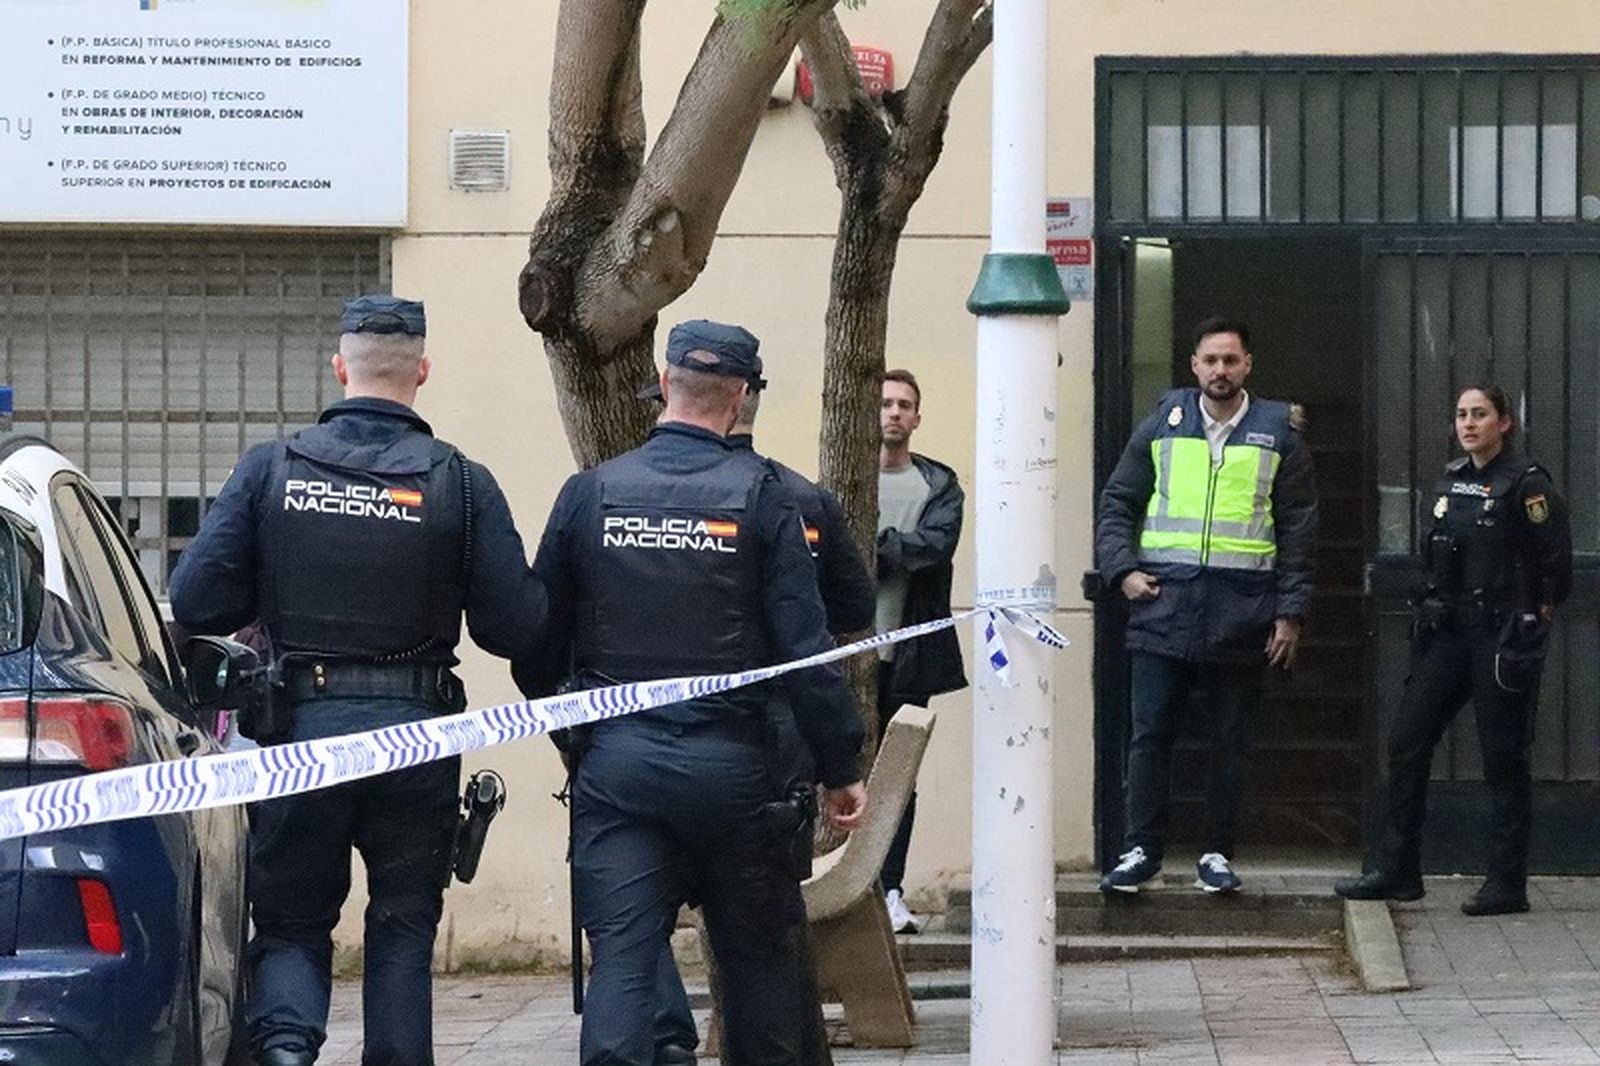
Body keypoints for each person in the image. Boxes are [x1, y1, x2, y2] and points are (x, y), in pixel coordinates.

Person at [169, 296, 550, 1066]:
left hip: (297, 738)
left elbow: (198, 601)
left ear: (340, 368)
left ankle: (282, 1051)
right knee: (405, 922)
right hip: (418, 737)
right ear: (423, 373)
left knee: (292, 925)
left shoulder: (271, 469)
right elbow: (516, 628)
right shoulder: (465, 485)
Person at [518, 319, 869, 1066]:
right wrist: (840, 765)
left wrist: (580, 737)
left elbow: (536, 645)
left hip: (619, 770)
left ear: (664, 385)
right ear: (739, 397)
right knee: (757, 968)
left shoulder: (592, 492)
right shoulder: (768, 496)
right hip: (739, 773)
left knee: (623, 959)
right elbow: (807, 653)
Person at [635, 357, 876, 1065]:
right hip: (775, 745)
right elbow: (851, 613)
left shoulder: (625, 492)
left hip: (655, 742)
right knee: (770, 927)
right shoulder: (803, 498)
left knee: (638, 918)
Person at [1094, 316, 1318, 895]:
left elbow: (1300, 528)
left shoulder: (1279, 434)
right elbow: (1118, 500)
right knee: (1150, 737)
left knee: (1230, 742)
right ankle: (1140, 850)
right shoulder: (1161, 426)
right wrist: (1122, 573)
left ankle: (1217, 852)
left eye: (1231, 361)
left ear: (1248, 366)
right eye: (1210, 360)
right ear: (1194, 366)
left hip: (1242, 614)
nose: (1220, 371)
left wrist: (1290, 613)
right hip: (1163, 607)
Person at [1336, 384, 1571, 916]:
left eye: (1480, 415)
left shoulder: (1526, 485)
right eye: (1462, 415)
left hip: (1499, 634)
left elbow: (1553, 566)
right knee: (1407, 741)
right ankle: (1399, 871)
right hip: (1449, 634)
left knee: (1503, 757)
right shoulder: (1451, 480)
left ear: (1504, 422)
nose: (1469, 424)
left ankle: (1506, 882)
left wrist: (1534, 619)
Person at [876, 368, 967, 933]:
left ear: (917, 416)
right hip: (842, 655)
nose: (894, 412)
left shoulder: (938, 484)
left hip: (908, 656)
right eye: (885, 402)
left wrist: (877, 544)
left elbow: (934, 547)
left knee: (897, 781)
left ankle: (889, 888)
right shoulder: (842, 476)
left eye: (904, 404)